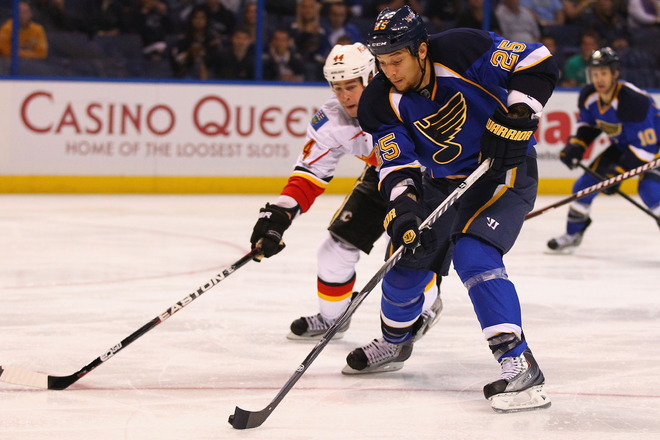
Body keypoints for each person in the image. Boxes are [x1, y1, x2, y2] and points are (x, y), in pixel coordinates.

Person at [346, 6, 558, 413]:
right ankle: (395, 343)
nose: (389, 71)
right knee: (403, 265)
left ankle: (519, 363)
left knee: (474, 253)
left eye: (397, 60)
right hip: (441, 182)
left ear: (421, 50)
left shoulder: (464, 49)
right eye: (382, 62)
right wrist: (404, 206)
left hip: (502, 171)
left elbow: (536, 60)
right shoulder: (379, 101)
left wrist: (517, 114)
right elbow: (395, 162)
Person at [249, 42, 442, 341]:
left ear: (371, 77)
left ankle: (426, 308)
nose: (344, 96)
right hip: (381, 176)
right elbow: (310, 174)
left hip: (429, 178)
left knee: (407, 252)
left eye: (351, 86)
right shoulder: (331, 119)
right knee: (333, 251)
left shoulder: (408, 99)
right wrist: (281, 215)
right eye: (337, 88)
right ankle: (332, 318)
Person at [548, 47, 660, 252]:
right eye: (595, 73)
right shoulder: (589, 95)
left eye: (604, 73)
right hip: (624, 146)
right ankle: (572, 234)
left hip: (655, 149)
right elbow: (589, 125)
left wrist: (618, 174)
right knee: (584, 186)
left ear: (615, 74)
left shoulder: (632, 101)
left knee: (650, 190)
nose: (598, 79)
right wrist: (577, 145)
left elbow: (645, 149)